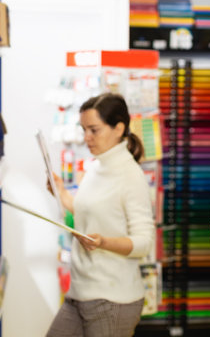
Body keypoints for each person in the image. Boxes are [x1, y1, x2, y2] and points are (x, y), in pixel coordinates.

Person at [46, 93, 155, 337]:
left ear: (119, 128)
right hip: (79, 293)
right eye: (84, 129)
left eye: (94, 130)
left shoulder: (130, 176)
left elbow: (143, 242)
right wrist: (61, 192)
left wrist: (103, 242)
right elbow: (87, 213)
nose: (87, 138)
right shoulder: (96, 167)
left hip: (112, 300)